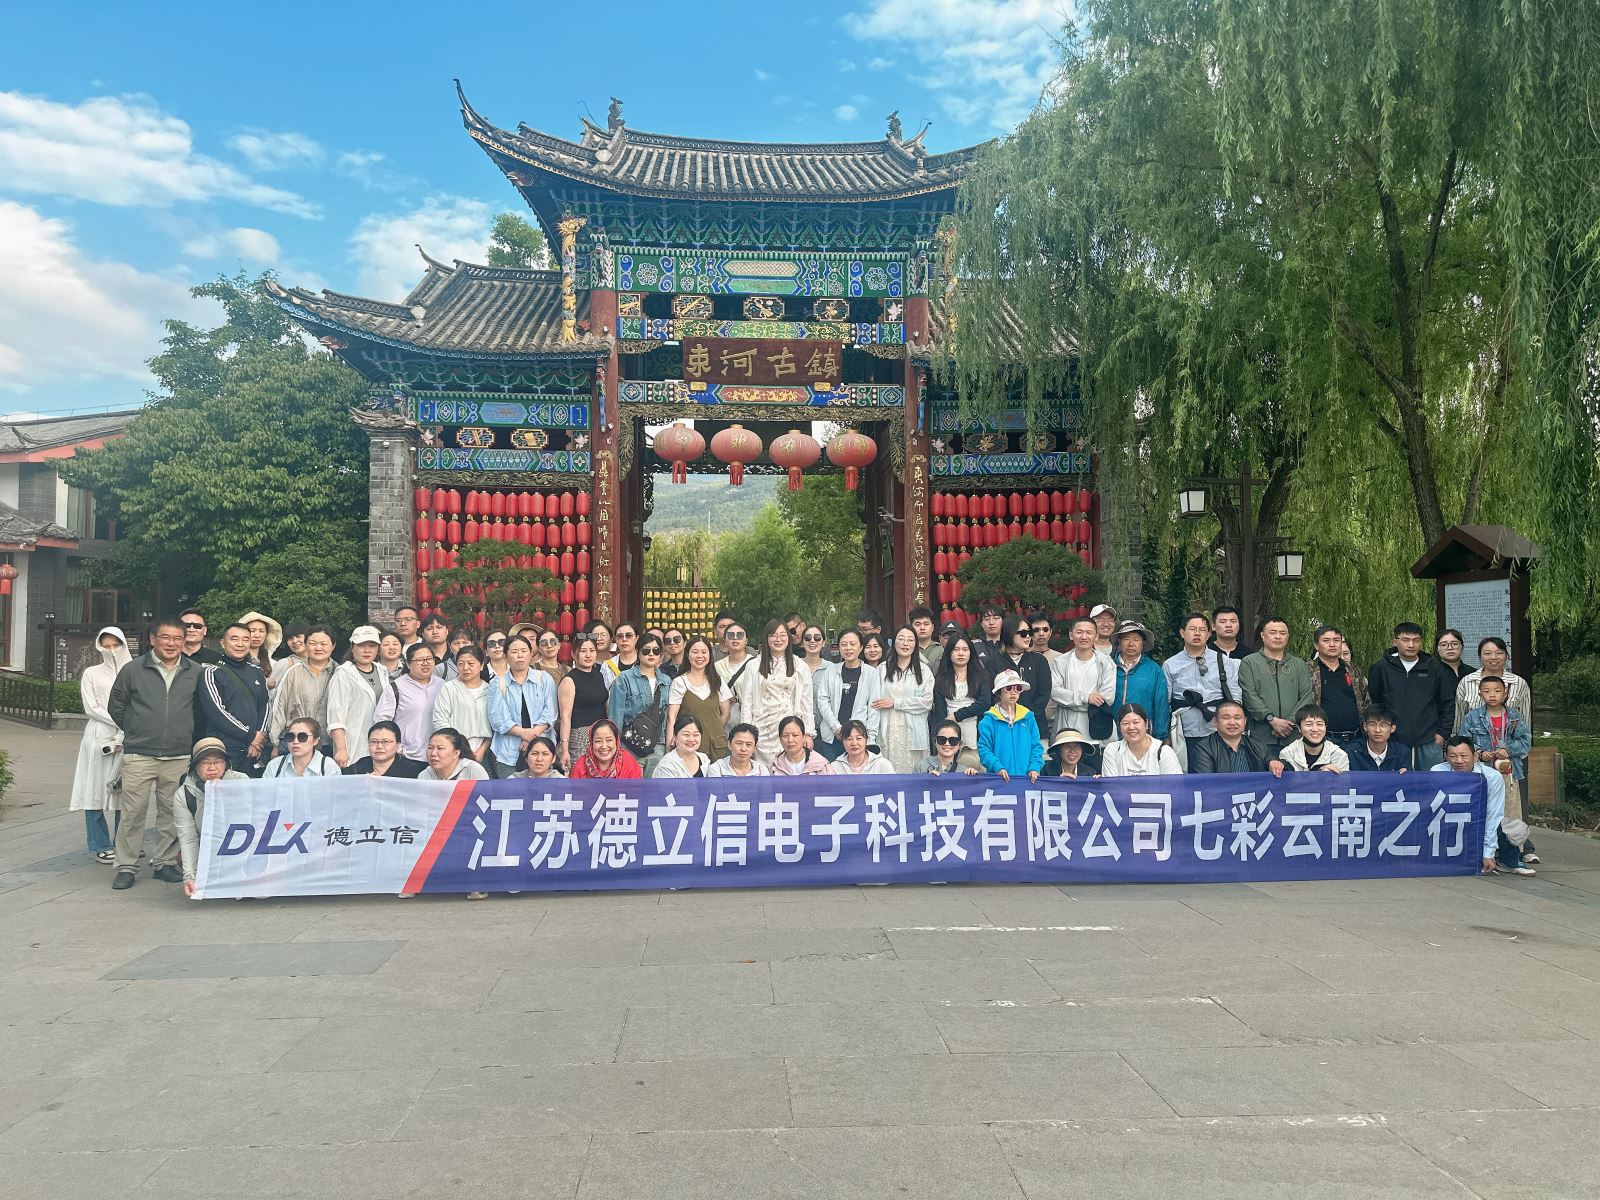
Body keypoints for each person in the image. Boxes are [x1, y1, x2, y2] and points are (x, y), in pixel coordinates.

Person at [106, 617, 198, 890]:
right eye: (165, 637)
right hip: (140, 754)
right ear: (153, 639)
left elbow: (200, 709)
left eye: (177, 638)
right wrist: (136, 729)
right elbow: (116, 705)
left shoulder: (194, 671)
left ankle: (164, 862)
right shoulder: (133, 669)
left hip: (179, 754)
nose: (171, 643)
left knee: (171, 811)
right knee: (133, 813)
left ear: (184, 641)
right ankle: (126, 866)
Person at [70, 625, 130, 864]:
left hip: (129, 736)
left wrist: (126, 729)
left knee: (126, 792)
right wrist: (121, 720)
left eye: (116, 645)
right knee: (93, 790)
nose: (111, 650)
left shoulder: (135, 671)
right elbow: (91, 707)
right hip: (98, 735)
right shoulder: (91, 673)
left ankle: (125, 843)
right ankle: (100, 844)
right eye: (106, 645)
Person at [1367, 621, 1452, 770]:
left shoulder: (1434, 668)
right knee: (1396, 781)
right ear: (1395, 642)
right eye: (1406, 640)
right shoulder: (1381, 668)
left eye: (1416, 640)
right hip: (1393, 740)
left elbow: (1447, 703)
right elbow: (1377, 702)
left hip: (1429, 740)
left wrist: (1442, 734)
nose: (1411, 645)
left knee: (1431, 781)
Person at [1431, 736, 1520, 876]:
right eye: (1453, 756)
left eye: (1464, 756)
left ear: (1475, 756)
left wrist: (1487, 853)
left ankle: (1506, 862)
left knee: (1513, 827)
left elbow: (1493, 814)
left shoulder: (1491, 777)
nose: (1459, 761)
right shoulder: (1437, 772)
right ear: (1446, 757)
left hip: (1478, 821)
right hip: (1448, 823)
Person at [1461, 675, 1533, 844]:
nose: (1492, 695)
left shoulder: (1514, 717)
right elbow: (1464, 741)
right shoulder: (1472, 717)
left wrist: (1508, 750)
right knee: (1483, 809)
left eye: (1497, 691)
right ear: (1480, 694)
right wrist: (1479, 752)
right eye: (1487, 691)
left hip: (1508, 772)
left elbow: (1526, 742)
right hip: (1482, 771)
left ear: (1505, 693)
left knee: (1511, 812)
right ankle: (1484, 848)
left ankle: (1513, 850)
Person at [171, 737, 247, 897]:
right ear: (195, 766)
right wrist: (190, 876)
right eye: (205, 762)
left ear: (226, 764)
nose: (212, 768)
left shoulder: (241, 781)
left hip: (241, 846)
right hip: (207, 847)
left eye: (218, 761)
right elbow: (188, 838)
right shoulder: (184, 794)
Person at [733, 621, 815, 763]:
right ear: (766, 638)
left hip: (789, 728)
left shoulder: (800, 666)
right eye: (773, 635)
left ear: (788, 637)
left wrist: (808, 733)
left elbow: (806, 702)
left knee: (788, 769)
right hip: (761, 727)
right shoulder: (753, 666)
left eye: (782, 635)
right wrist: (746, 735)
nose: (778, 639)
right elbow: (747, 703)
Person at [196, 621, 270, 774]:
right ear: (223, 643)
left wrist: (258, 739)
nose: (240, 644)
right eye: (234, 639)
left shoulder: (257, 671)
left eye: (245, 639)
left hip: (255, 749)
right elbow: (217, 712)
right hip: (226, 750)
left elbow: (265, 706)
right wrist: (250, 736)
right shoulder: (212, 672)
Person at [1163, 612, 1239, 756]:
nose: (1197, 633)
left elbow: (1235, 692)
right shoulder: (1170, 664)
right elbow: (1165, 701)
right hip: (1184, 730)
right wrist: (1166, 733)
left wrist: (1232, 718)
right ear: (1182, 633)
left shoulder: (1222, 660)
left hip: (1217, 728)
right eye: (1192, 629)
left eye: (1202, 630)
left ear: (1209, 634)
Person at [1238, 616, 1314, 758]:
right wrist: (1271, 719)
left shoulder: (1298, 664)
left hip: (1293, 736)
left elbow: (1306, 696)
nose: (1278, 636)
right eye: (1273, 632)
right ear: (1263, 635)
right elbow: (1249, 695)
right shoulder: (1249, 662)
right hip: (1261, 736)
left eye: (1282, 633)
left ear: (1287, 636)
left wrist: (1288, 723)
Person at [486, 634, 557, 777]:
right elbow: (498, 719)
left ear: (531, 654)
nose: (520, 655)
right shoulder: (497, 684)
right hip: (508, 752)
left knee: (542, 789)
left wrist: (531, 737)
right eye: (514, 651)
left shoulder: (544, 679)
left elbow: (551, 712)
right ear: (506, 657)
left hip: (542, 751)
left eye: (524, 651)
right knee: (510, 789)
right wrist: (524, 734)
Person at [609, 633, 673, 772]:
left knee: (655, 785)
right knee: (632, 785)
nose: (651, 654)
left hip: (657, 745)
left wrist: (668, 745)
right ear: (638, 652)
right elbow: (616, 715)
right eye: (646, 650)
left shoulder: (666, 681)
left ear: (661, 654)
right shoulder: (624, 678)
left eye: (656, 651)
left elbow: (669, 717)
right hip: (630, 744)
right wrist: (615, 745)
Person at [325, 625, 386, 769]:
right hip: (353, 744)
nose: (367, 650)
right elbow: (336, 716)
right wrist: (341, 749)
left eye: (372, 646)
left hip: (380, 743)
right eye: (361, 646)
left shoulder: (382, 670)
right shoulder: (343, 674)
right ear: (352, 648)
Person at [814, 629, 881, 760]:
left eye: (853, 644)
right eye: (844, 644)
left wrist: (870, 737)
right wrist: (836, 727)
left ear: (861, 647)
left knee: (857, 771)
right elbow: (822, 699)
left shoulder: (871, 673)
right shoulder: (831, 670)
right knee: (833, 771)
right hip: (833, 736)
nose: (848, 648)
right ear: (839, 647)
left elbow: (874, 707)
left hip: (858, 738)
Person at [268, 625, 337, 748]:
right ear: (306, 644)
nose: (318, 648)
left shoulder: (340, 672)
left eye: (323, 644)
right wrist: (276, 743)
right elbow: (280, 708)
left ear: (333, 646)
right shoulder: (293, 672)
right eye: (313, 643)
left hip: (331, 744)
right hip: (298, 742)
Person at [373, 642, 444, 762]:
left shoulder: (442, 685)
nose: (425, 663)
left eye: (429, 659)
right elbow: (381, 720)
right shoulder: (396, 687)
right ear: (408, 664)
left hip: (438, 757)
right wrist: (397, 748)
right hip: (406, 756)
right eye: (419, 660)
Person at [666, 636, 732, 764]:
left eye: (704, 652)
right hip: (689, 744)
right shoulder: (679, 682)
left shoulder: (717, 681)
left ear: (710, 655)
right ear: (687, 655)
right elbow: (671, 717)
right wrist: (670, 744)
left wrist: (713, 731)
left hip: (716, 746)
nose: (700, 656)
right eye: (695, 652)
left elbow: (726, 714)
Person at [876, 625, 934, 772]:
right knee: (889, 771)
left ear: (915, 644)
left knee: (915, 773)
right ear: (893, 642)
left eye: (910, 640)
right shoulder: (882, 669)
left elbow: (926, 702)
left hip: (915, 732)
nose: (905, 643)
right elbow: (875, 701)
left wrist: (895, 703)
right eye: (901, 639)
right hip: (889, 729)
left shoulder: (924, 671)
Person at [1050, 617, 1115, 740]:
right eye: (1079, 632)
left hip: (1096, 724)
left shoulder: (1106, 662)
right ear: (1071, 635)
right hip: (1066, 723)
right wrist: (1086, 698)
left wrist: (1070, 701)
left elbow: (1107, 698)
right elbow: (1054, 692)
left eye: (1089, 632)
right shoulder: (1061, 662)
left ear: (1096, 636)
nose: (1084, 636)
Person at [432, 645, 495, 771]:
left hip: (483, 753)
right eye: (460, 664)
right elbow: (440, 721)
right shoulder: (449, 688)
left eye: (471, 664)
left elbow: (494, 725)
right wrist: (458, 747)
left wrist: (481, 750)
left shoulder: (490, 690)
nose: (465, 668)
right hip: (454, 751)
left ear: (482, 665)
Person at [1110, 620, 1171, 740]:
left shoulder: (1154, 670)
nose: (1131, 643)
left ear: (1143, 643)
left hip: (1143, 734)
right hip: (1111, 733)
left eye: (1136, 639)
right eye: (1126, 639)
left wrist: (1160, 737)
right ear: (1119, 641)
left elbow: (1161, 705)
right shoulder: (1108, 666)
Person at [558, 633, 611, 772]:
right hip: (579, 736)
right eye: (583, 651)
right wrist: (565, 749)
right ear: (573, 654)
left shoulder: (599, 674)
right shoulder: (569, 680)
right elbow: (565, 717)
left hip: (601, 734)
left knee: (603, 775)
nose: (588, 655)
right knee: (582, 776)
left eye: (592, 650)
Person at [978, 671, 1044, 781]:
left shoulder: (1028, 717)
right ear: (999, 691)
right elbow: (984, 749)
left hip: (1027, 779)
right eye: (1008, 688)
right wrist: (997, 767)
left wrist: (1034, 767)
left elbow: (1036, 746)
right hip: (999, 779)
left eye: (1018, 688)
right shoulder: (988, 721)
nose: (1013, 692)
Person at [1308, 625, 1368, 746]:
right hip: (1323, 738)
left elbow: (1366, 700)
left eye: (1336, 640)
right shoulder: (1308, 671)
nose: (1332, 644)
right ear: (1316, 645)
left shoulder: (1353, 670)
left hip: (1356, 738)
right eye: (1326, 640)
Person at [1454, 637, 1531, 730]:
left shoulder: (1518, 683)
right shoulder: (1467, 682)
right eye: (1487, 653)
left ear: (1506, 656)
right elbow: (1459, 719)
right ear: (1480, 656)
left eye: (1499, 653)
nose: (1493, 657)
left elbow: (1525, 720)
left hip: (1509, 739)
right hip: (1474, 738)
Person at [930, 633, 988, 749]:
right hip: (948, 729)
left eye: (965, 649)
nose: (961, 653)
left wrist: (957, 716)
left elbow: (984, 703)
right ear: (949, 652)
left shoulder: (981, 677)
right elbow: (940, 711)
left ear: (970, 652)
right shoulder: (941, 679)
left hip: (974, 728)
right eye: (956, 650)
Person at [998, 615, 1053, 731]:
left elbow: (1044, 694)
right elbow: (992, 695)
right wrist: (1008, 716)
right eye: (1023, 633)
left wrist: (1026, 716)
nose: (1028, 636)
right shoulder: (994, 662)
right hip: (1004, 725)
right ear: (1009, 634)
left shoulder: (1039, 660)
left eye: (1029, 632)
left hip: (1035, 726)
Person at [1187, 699, 1270, 773]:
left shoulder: (1259, 747)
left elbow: (1271, 767)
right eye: (1226, 718)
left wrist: (1273, 763)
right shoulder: (1203, 749)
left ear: (1245, 721)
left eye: (1237, 718)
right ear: (1216, 721)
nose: (1232, 722)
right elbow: (1206, 783)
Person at [1100, 704, 1182, 776]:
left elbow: (1174, 785)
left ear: (1146, 724)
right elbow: (1111, 785)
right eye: (1125, 723)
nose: (1131, 727)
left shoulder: (1164, 751)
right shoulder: (1112, 750)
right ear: (1119, 727)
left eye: (1136, 722)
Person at [1270, 705, 1351, 775]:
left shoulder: (1339, 755)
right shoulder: (1288, 753)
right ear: (1299, 728)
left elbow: (1343, 786)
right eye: (1309, 724)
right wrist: (1319, 774)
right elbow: (1290, 785)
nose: (1315, 729)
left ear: (1326, 727)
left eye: (1319, 724)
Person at [342, 720, 426, 777]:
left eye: (386, 742)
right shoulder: (362, 764)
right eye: (374, 741)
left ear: (397, 744)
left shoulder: (408, 768)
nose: (379, 746)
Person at [263, 717, 340, 778]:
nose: (295, 741)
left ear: (316, 740)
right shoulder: (274, 766)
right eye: (290, 736)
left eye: (302, 737)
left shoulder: (328, 766)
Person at [569, 718, 644, 779]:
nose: (604, 746)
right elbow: (574, 791)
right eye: (598, 741)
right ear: (591, 743)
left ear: (616, 741)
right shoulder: (581, 766)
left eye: (609, 740)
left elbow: (637, 790)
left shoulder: (628, 763)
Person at [1346, 707, 1410, 772]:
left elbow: (1408, 777)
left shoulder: (1401, 752)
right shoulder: (1351, 751)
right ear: (1365, 726)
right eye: (1372, 724)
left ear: (1392, 728)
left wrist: (1407, 775)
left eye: (1383, 725)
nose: (1377, 730)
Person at [719, 621, 756, 728]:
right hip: (727, 721)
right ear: (725, 640)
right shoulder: (717, 667)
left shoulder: (756, 664)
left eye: (739, 635)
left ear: (746, 640)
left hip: (752, 718)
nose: (735, 638)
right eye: (731, 635)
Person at [828, 719, 896, 775]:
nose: (854, 743)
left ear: (866, 740)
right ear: (843, 742)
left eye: (859, 738)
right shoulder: (835, 766)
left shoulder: (882, 765)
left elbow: (893, 786)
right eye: (849, 739)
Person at [421, 728, 492, 782]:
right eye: (430, 748)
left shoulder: (473, 770)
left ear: (456, 753)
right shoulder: (425, 775)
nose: (433, 753)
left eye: (440, 748)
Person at [239, 611, 283, 689]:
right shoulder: (236, 660)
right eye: (252, 631)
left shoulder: (272, 663)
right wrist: (263, 682)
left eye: (261, 631)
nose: (257, 635)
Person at [972, 604, 1008, 676]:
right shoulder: (974, 646)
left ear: (1003, 621)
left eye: (996, 618)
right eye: (986, 619)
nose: (991, 623)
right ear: (982, 624)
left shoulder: (1010, 643)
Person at [602, 621, 640, 687]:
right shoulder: (607, 666)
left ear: (637, 638)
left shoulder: (644, 663)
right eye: (620, 636)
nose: (624, 639)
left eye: (629, 635)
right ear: (615, 639)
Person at [418, 613, 454, 681]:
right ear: (423, 634)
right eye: (429, 628)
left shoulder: (456, 654)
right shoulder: (417, 657)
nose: (435, 632)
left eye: (439, 627)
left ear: (447, 631)